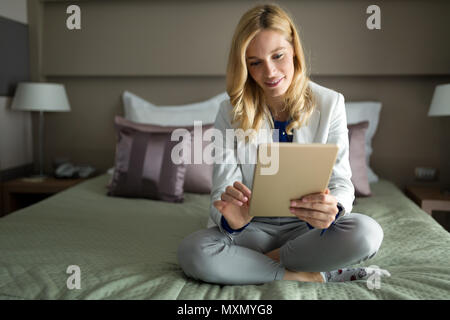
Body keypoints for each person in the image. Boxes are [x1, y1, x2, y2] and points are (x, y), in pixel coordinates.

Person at [177, 4, 389, 285]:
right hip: (251, 232)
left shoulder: (330, 103)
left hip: (308, 231)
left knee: (367, 233)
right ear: (245, 66)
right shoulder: (228, 112)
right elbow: (221, 189)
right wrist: (233, 219)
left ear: (294, 51)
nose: (270, 72)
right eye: (255, 62)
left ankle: (255, 266)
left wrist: (332, 208)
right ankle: (305, 275)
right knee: (193, 251)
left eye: (278, 56)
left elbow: (341, 182)